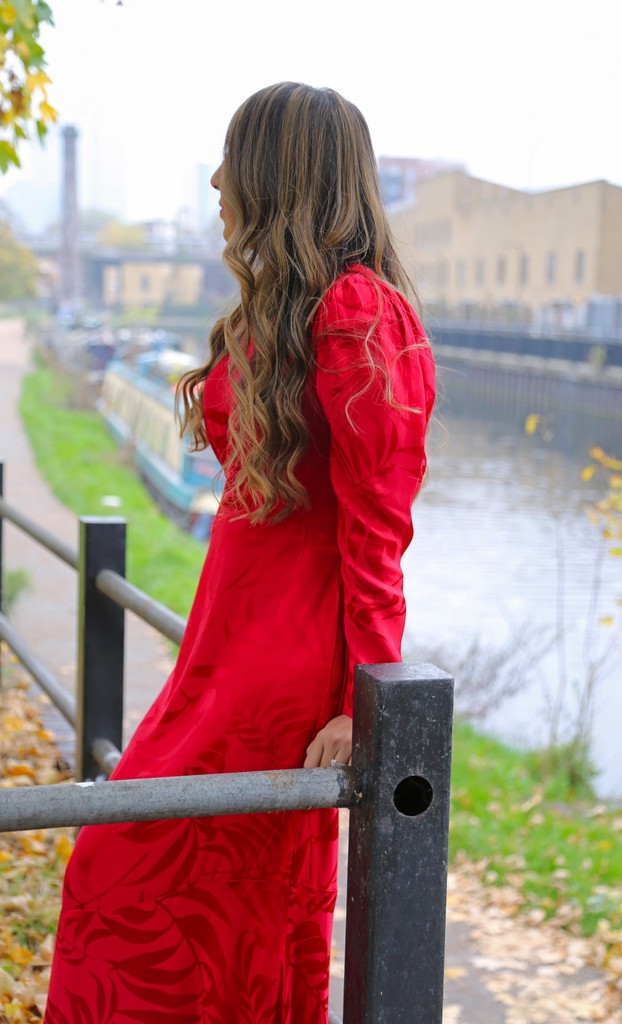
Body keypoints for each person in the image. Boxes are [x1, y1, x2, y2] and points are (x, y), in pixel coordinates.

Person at [44, 82, 436, 1024]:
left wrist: (361, 697)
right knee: (205, 901)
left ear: (279, 173)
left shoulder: (357, 314)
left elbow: (378, 527)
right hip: (225, 651)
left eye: (233, 160)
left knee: (142, 883)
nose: (218, 180)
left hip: (280, 672)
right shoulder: (291, 306)